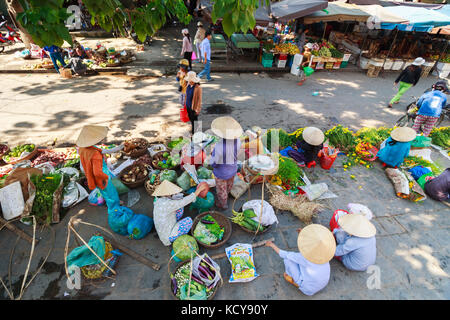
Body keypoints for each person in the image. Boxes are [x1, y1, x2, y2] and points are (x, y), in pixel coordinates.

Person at [265, 224, 335, 296]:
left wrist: (271, 245)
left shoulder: (304, 258)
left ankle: (294, 281)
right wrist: (302, 234)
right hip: (323, 283)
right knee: (298, 262)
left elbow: (285, 254)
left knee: (287, 260)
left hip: (309, 289)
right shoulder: (326, 253)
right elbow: (312, 242)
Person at [76, 125, 125, 210]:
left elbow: (104, 151)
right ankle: (114, 206)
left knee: (104, 191)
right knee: (110, 191)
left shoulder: (82, 148)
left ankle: (109, 201)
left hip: (92, 175)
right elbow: (97, 172)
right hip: (101, 176)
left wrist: (120, 147)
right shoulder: (95, 154)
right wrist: (106, 178)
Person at [152, 180, 209, 246]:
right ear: (166, 194)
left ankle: (177, 226)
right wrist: (199, 190)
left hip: (165, 227)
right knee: (189, 221)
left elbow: (177, 203)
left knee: (180, 207)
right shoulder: (167, 204)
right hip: (167, 236)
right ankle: (176, 238)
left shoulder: (158, 199)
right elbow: (185, 201)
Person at [209, 116, 243, 209]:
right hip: (233, 169)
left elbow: (214, 163)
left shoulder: (219, 146)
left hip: (221, 173)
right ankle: (227, 194)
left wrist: (211, 156)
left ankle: (223, 204)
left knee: (221, 190)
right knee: (228, 185)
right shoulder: (238, 141)